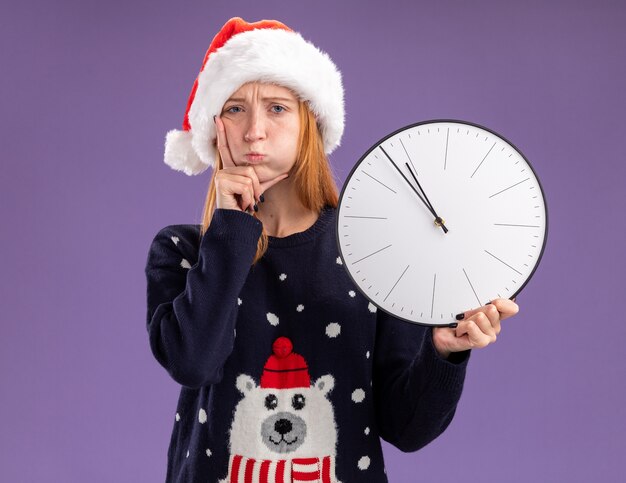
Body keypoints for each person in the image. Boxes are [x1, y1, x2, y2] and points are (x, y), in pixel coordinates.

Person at [145, 17, 520, 483]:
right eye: (235, 108)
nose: (254, 130)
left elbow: (407, 428)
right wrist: (233, 227)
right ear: (213, 127)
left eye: (278, 107)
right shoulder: (182, 250)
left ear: (311, 122)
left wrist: (443, 354)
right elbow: (192, 362)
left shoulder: (374, 247)